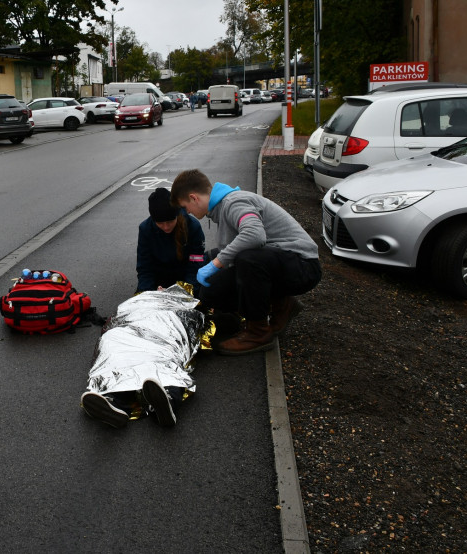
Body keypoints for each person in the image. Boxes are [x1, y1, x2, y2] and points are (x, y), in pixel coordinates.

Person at [169, 168, 321, 356]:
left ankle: (258, 332)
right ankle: (281, 304)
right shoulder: (220, 210)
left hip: (302, 265)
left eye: (185, 207)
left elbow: (255, 236)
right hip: (279, 263)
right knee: (212, 290)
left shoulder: (234, 202)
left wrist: (216, 264)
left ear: (194, 198)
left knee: (246, 259)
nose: (187, 212)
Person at [81, 285, 208, 428]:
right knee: (113, 342)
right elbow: (144, 279)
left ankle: (166, 400)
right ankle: (113, 402)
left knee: (163, 354)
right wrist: (151, 292)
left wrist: (172, 293)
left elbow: (195, 286)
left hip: (167, 319)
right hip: (137, 313)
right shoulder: (144, 295)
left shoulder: (182, 295)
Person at [136, 187, 205, 293]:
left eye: (170, 221)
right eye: (160, 223)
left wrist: (186, 290)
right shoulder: (145, 229)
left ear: (177, 215)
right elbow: (145, 267)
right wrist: (148, 292)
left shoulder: (193, 226)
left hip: (185, 278)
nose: (166, 227)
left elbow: (195, 264)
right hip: (158, 280)